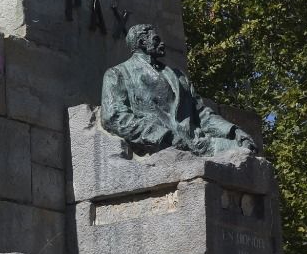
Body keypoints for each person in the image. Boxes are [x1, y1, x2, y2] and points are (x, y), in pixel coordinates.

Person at [100, 24, 257, 157]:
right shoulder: (118, 73)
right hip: (161, 147)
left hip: (197, 141)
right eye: (156, 40)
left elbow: (202, 114)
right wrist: (162, 136)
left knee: (246, 150)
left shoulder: (178, 76)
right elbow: (114, 117)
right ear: (142, 42)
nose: (162, 44)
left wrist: (232, 131)